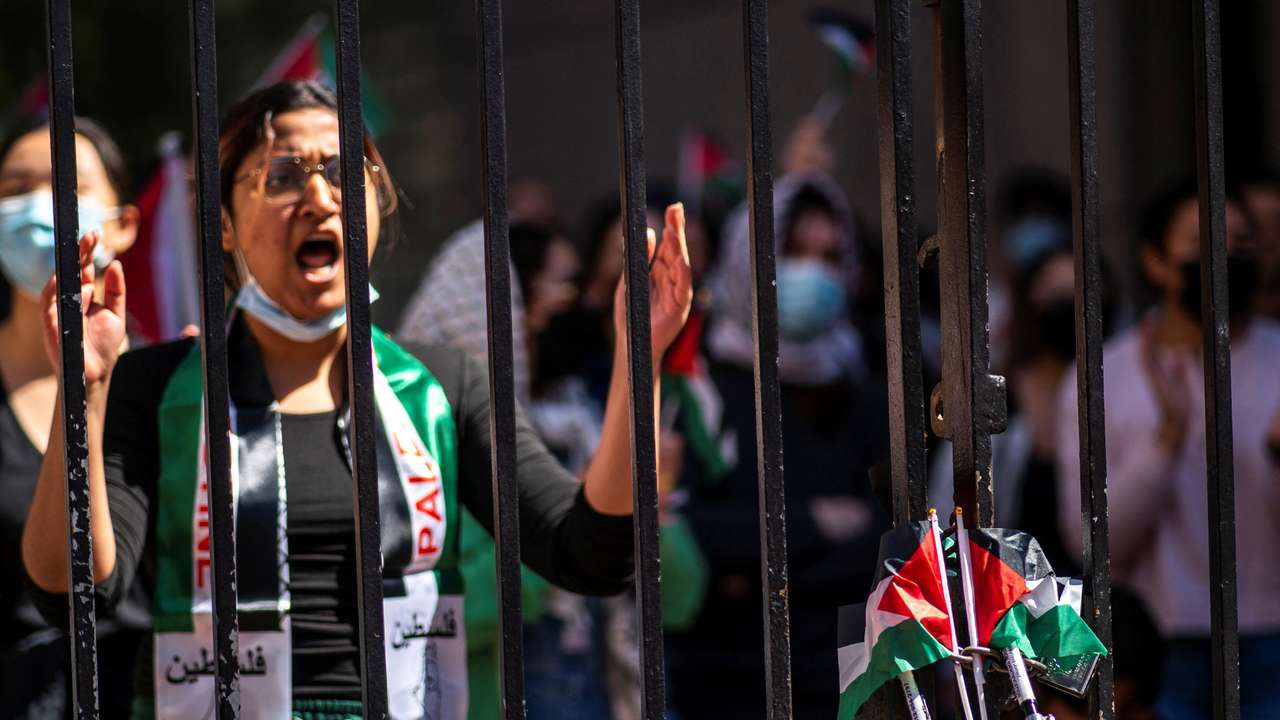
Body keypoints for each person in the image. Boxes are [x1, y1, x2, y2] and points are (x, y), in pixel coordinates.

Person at [21, 80, 693, 720]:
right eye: (283, 176)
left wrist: (641, 360)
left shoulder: (441, 386)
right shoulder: (157, 388)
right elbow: (71, 592)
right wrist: (84, 391)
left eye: (344, 173)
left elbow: (591, 555)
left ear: (376, 203)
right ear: (223, 224)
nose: (320, 197)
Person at [1055, 181, 1280, 720]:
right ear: (1156, 262)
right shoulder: (1104, 377)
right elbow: (1091, 541)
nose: (1227, 254)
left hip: (1272, 639)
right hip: (1160, 648)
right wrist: (1166, 442)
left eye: (1242, 240)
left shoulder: (1278, 359)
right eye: (1204, 241)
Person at [669, 171, 889, 719]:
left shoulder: (862, 389)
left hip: (838, 677)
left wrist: (758, 563)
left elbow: (881, 541)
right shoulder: (703, 387)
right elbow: (689, 531)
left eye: (828, 256)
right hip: (722, 678)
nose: (811, 273)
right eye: (793, 254)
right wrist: (813, 525)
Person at [0, 116, 144, 719]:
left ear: (125, 223)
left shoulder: (183, 388)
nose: (40, 204)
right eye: (14, 187)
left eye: (68, 184)